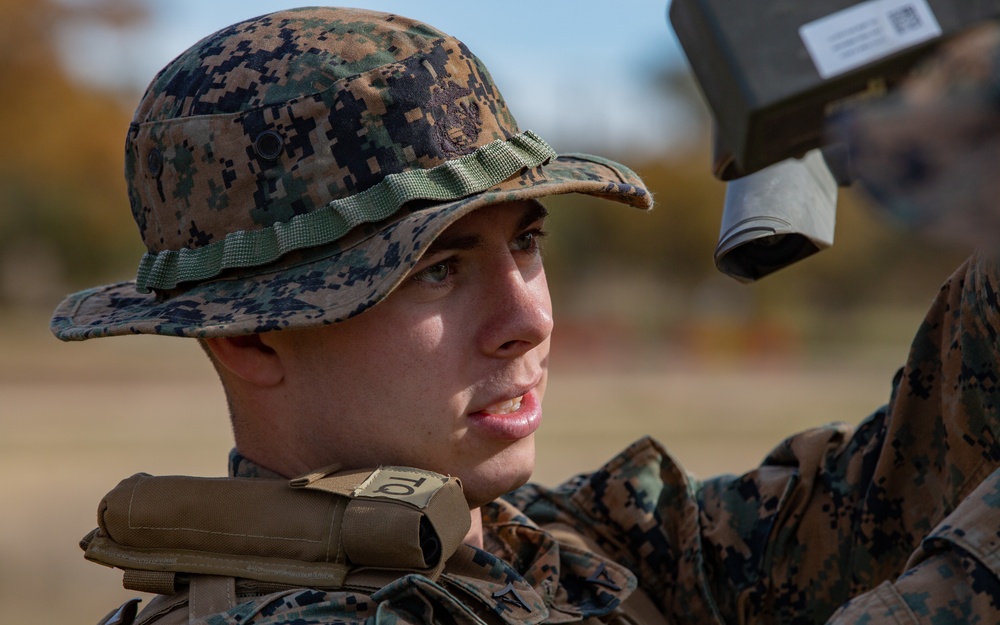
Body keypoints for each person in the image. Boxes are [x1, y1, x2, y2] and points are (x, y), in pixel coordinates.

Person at [50, 7, 1000, 625]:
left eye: (528, 244)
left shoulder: (524, 541)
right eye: (435, 271)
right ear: (251, 331)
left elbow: (899, 480)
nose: (527, 319)